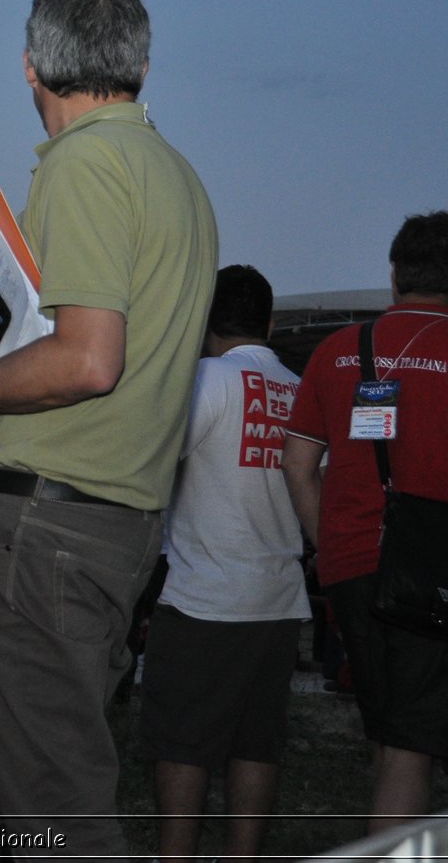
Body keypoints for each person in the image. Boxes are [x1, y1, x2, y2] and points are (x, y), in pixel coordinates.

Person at [0, 0, 218, 858]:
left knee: (54, 809)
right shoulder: (180, 178)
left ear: (29, 66)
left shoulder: (86, 165)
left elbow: (88, 359)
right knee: (74, 779)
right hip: (120, 526)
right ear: (142, 67)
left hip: (48, 524)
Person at [282, 210, 448, 832]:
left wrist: (327, 540)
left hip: (351, 567)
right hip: (437, 574)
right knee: (409, 748)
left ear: (394, 273)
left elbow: (298, 463)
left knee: (389, 734)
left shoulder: (338, 351)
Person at [141, 265, 308, 862]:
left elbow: (152, 459)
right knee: (257, 745)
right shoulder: (298, 387)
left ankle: (177, 855)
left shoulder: (207, 380)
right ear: (269, 322)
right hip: (279, 598)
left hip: (203, 597)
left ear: (208, 320)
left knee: (182, 742)